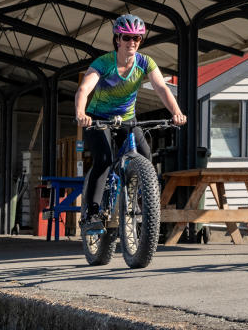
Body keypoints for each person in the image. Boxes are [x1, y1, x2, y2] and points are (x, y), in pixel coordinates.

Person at [75, 14, 187, 228]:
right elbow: (84, 88)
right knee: (104, 159)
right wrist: (81, 113)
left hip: (127, 119)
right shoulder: (104, 63)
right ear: (117, 39)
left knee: (145, 157)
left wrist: (177, 112)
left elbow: (161, 88)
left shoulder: (145, 62)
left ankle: (144, 204)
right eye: (127, 37)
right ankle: (92, 213)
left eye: (137, 38)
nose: (132, 42)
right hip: (99, 119)